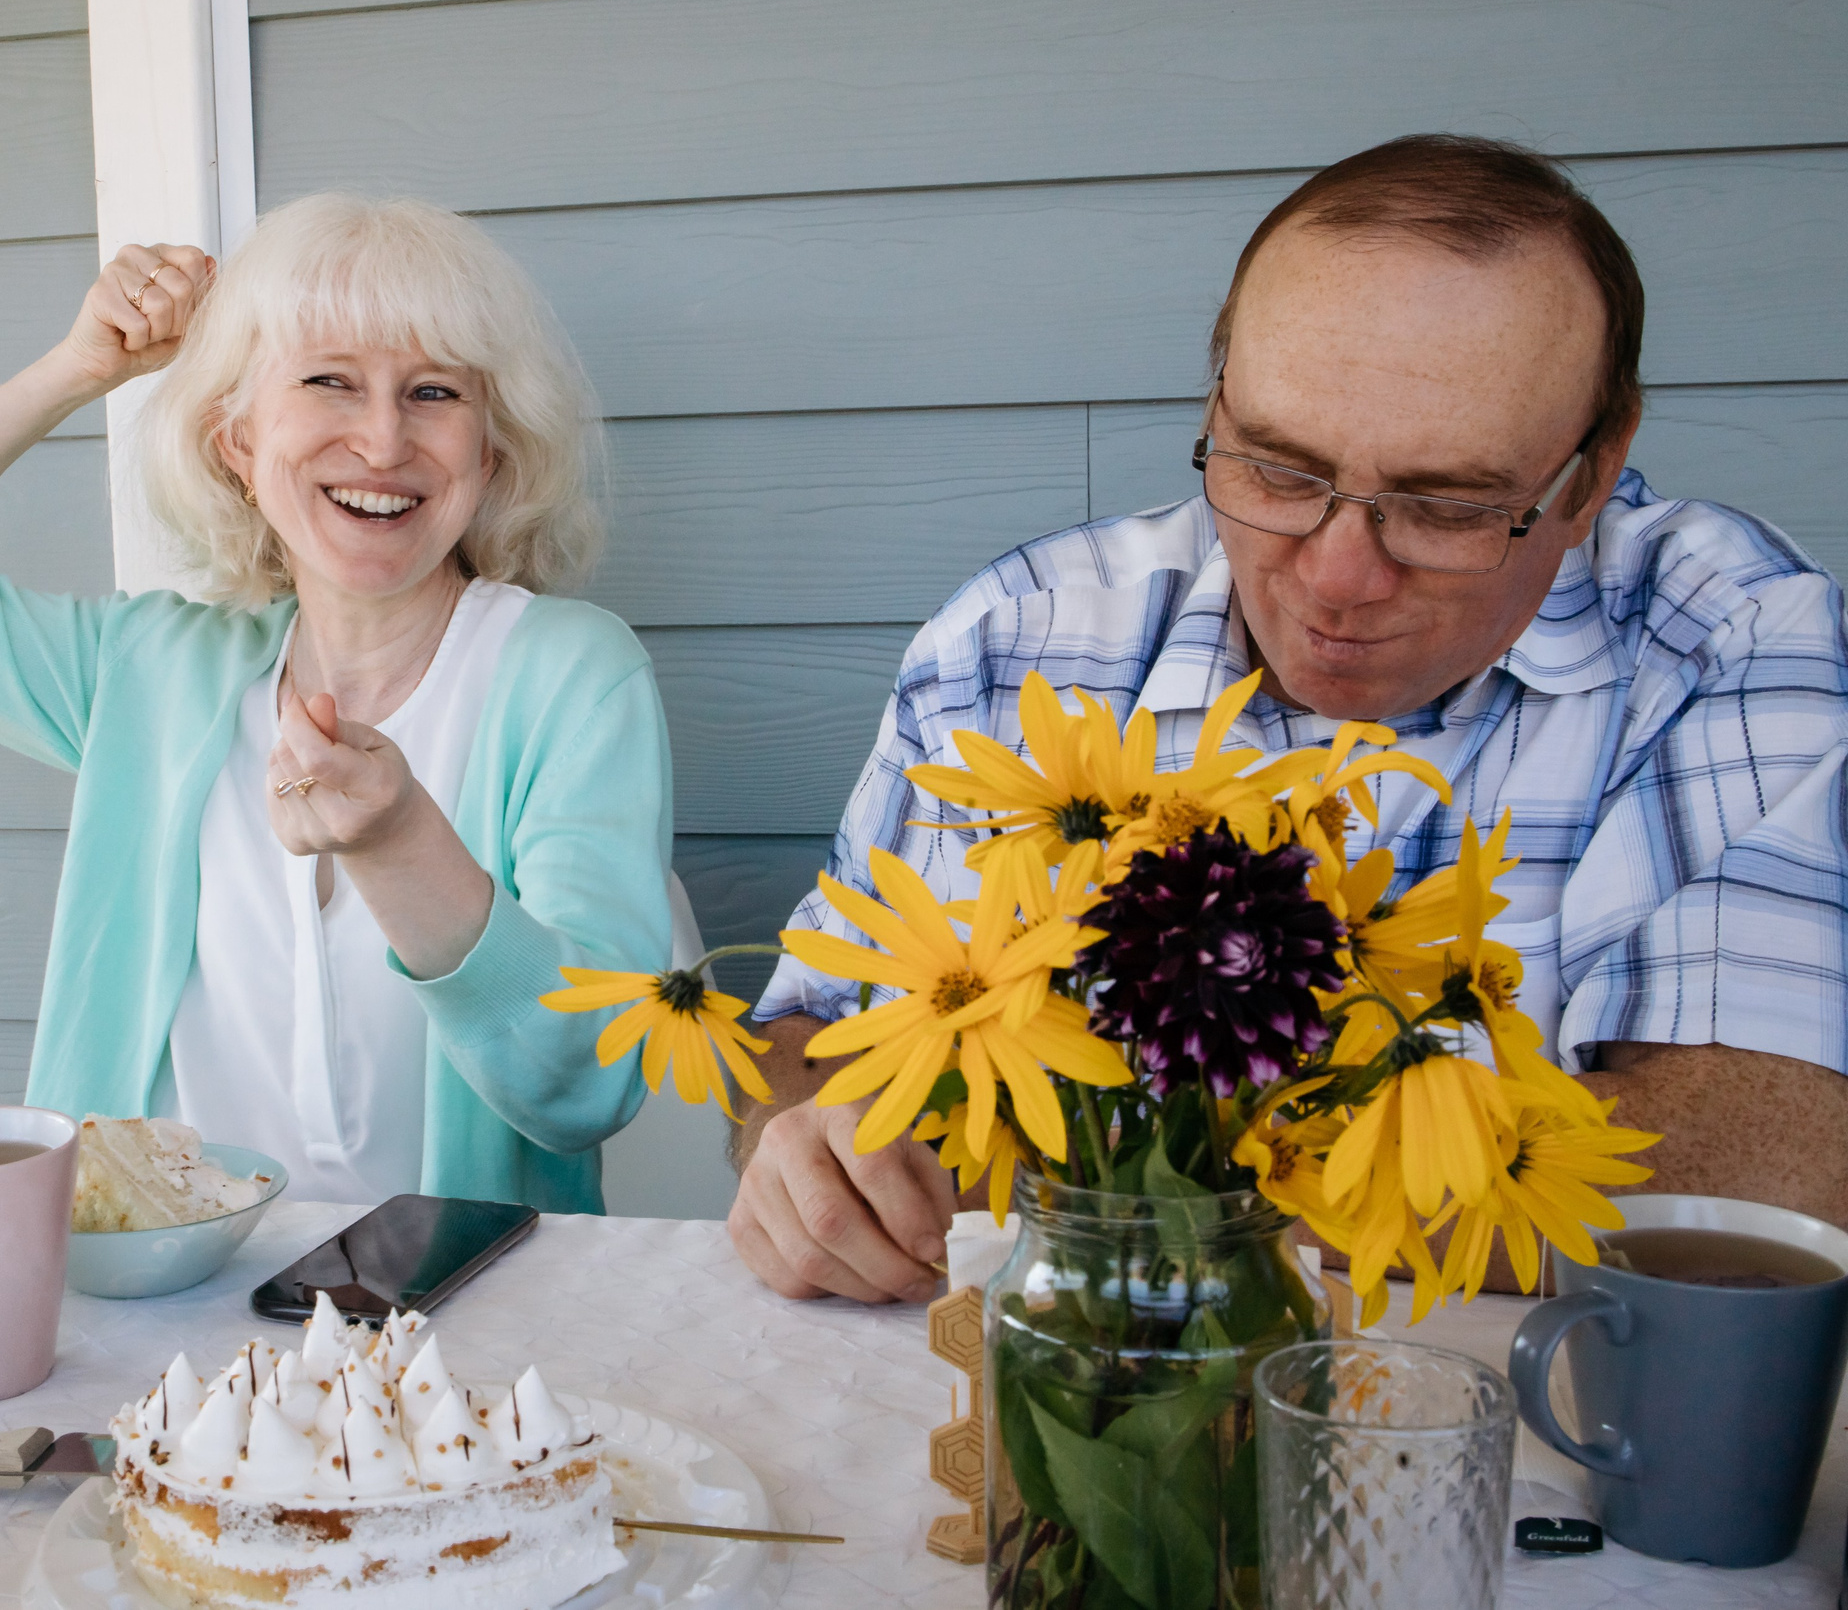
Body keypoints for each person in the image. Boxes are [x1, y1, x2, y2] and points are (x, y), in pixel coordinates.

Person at [730, 135, 1848, 1303]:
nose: (1338, 574)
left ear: (1591, 473)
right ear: (1216, 401)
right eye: (1276, 469)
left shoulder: (1721, 634)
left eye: (1446, 505)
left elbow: (1743, 1186)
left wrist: (1117, 1193)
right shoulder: (1016, 636)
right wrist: (804, 1157)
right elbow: (813, 1033)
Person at [0, 193, 679, 1213]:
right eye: (328, 381)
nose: (382, 441)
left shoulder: (569, 674)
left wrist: (401, 844)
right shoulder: (151, 674)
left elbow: (593, 1081)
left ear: (490, 453)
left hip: (458, 1328)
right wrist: (80, 371)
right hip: (169, 1312)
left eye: (432, 394)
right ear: (236, 442)